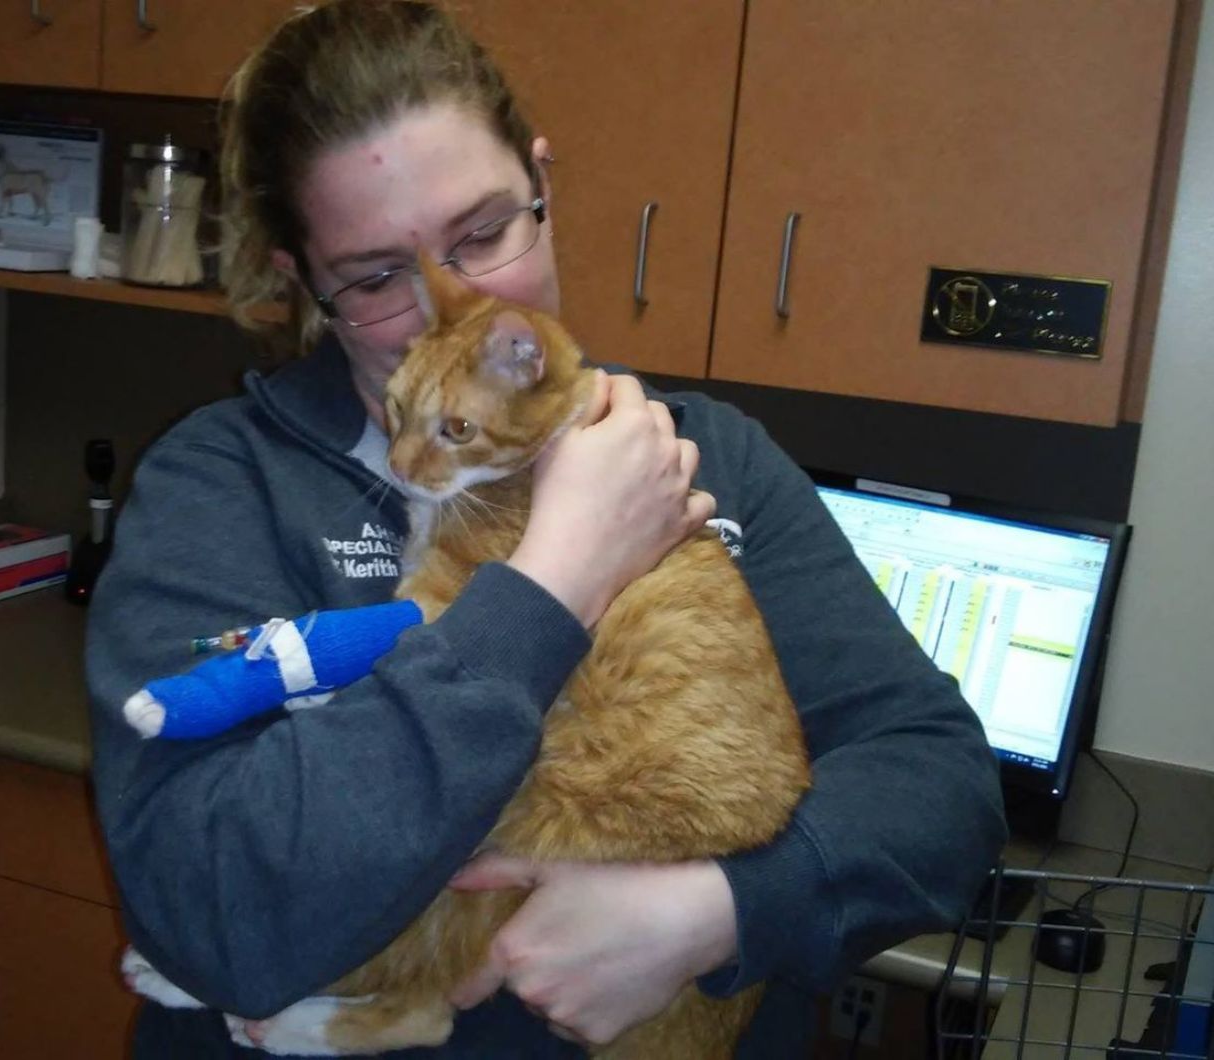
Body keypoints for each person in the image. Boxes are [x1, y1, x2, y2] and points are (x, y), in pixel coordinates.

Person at [85, 1, 1007, 1056]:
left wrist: (717, 910)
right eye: (380, 277)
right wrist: (556, 578)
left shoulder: (708, 458)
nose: (459, 296)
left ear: (542, 186)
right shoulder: (221, 482)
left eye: (484, 232)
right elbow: (213, 912)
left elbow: (941, 789)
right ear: (306, 284)